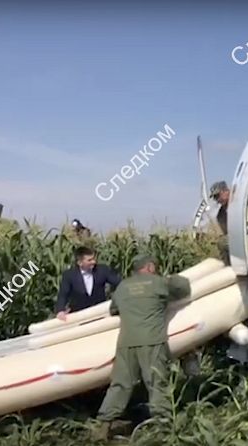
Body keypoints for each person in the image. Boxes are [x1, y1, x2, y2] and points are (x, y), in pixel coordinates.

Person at [93, 254, 191, 440]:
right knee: (156, 383)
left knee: (120, 384)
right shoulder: (158, 283)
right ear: (150, 267)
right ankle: (164, 427)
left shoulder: (122, 287)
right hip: (152, 341)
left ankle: (104, 426)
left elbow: (113, 309)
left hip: (126, 343)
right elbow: (183, 288)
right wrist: (172, 277)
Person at [55, 247, 121, 321]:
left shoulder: (102, 270)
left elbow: (119, 283)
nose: (93, 262)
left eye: (93, 259)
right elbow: (63, 294)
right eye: (89, 260)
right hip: (79, 316)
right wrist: (60, 310)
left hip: (100, 313)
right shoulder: (69, 275)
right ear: (80, 263)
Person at [209, 181, 233, 265]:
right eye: (215, 198)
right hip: (236, 239)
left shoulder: (239, 201)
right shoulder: (221, 214)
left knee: (222, 242)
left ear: (225, 191)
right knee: (222, 242)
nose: (217, 200)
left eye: (217, 196)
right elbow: (224, 233)